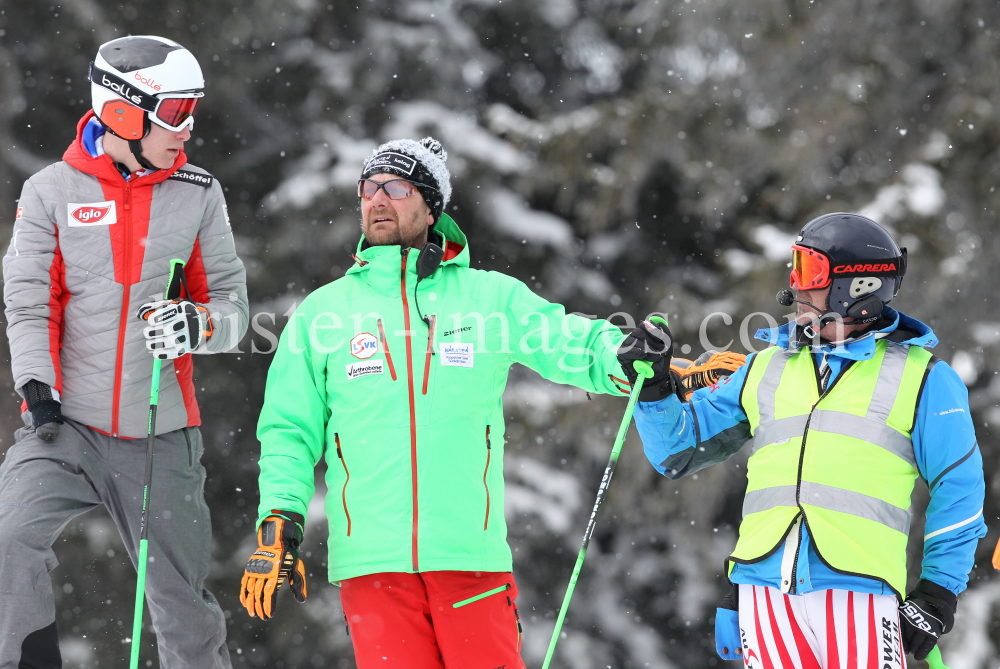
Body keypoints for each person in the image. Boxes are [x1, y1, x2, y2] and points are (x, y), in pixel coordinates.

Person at [239, 136, 642, 668]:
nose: (377, 200)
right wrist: (278, 522)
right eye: (368, 188)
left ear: (430, 207)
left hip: (467, 557)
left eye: (397, 188)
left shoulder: (487, 297)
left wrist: (629, 354)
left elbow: (566, 340)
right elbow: (288, 430)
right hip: (373, 566)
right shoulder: (324, 313)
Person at [618, 213, 985, 667]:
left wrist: (937, 593)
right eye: (795, 267)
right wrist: (654, 388)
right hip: (764, 589)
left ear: (859, 288)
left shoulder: (924, 378)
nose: (795, 288)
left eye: (809, 272)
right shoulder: (767, 367)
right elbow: (678, 449)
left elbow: (960, 493)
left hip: (857, 590)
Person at [0, 35, 247, 668]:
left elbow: (233, 310)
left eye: (193, 111)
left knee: (181, 607)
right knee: (10, 538)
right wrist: (36, 385)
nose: (186, 129)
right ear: (122, 112)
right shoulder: (50, 191)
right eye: (174, 112)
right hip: (64, 427)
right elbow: (30, 302)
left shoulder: (197, 192)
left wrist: (199, 325)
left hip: (159, 434)